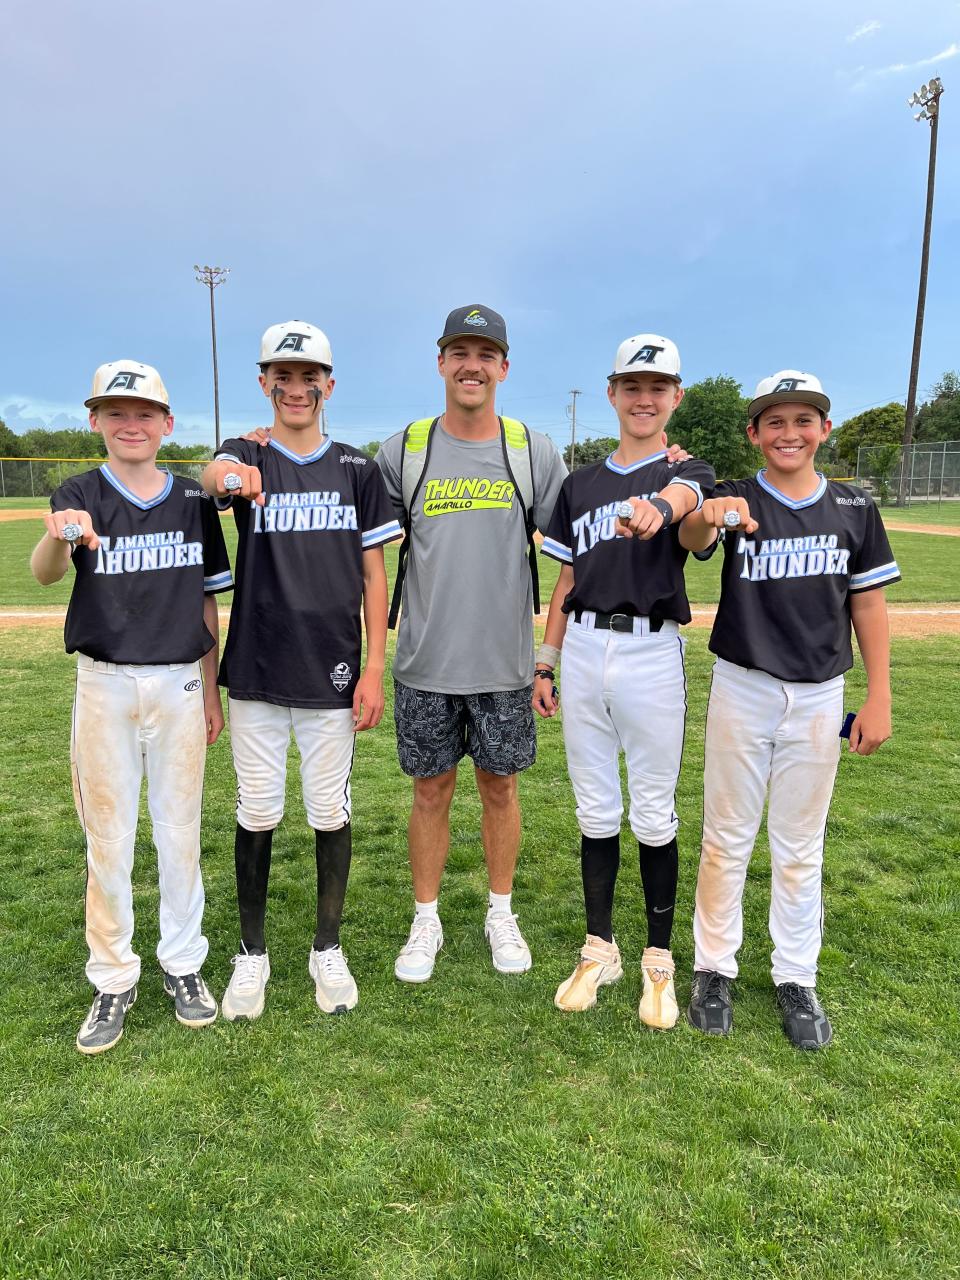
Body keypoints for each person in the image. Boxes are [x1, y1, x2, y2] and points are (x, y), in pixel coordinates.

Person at [680, 370, 900, 1050]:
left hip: (819, 693)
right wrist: (703, 514)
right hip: (743, 684)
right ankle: (714, 968)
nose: (789, 433)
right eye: (774, 421)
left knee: (800, 846)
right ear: (754, 434)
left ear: (824, 430)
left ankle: (795, 977)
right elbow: (692, 538)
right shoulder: (735, 497)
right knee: (726, 837)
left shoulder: (854, 507)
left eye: (804, 420)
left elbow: (866, 601)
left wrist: (881, 693)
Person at [30, 360, 233, 1054]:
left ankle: (184, 964)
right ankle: (113, 975)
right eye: (116, 412)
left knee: (180, 832)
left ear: (166, 423)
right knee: (108, 840)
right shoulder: (79, 492)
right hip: (105, 684)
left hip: (178, 679)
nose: (131, 423)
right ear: (95, 421)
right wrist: (58, 533)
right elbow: (46, 574)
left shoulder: (189, 500)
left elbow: (209, 599)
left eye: (144, 412)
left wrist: (210, 690)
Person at [202, 321, 401, 1019]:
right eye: (281, 376)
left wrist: (376, 667)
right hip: (259, 659)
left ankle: (327, 948)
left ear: (329, 385)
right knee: (257, 810)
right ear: (264, 384)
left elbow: (376, 574)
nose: (295, 387)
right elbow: (212, 476)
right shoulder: (246, 451)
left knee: (328, 809)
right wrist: (231, 476)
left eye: (308, 375)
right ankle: (251, 955)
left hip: (333, 668)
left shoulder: (356, 469)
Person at [375, 305, 569, 982]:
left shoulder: (532, 449)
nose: (471, 365)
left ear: (504, 367)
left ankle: (500, 911)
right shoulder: (406, 448)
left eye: (485, 354)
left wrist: (548, 657)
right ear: (440, 363)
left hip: (506, 664)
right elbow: (369, 554)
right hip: (426, 661)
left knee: (500, 788)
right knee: (429, 793)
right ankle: (425, 919)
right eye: (459, 351)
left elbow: (572, 554)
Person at [535, 334, 715, 1028]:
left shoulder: (689, 467)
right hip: (582, 646)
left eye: (658, 388)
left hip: (649, 651)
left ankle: (659, 959)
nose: (644, 399)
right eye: (632, 386)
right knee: (595, 808)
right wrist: (545, 660)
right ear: (612, 393)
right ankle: (599, 947)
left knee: (653, 810)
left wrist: (667, 504)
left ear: (675, 396)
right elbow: (567, 579)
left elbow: (697, 526)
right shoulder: (581, 483)